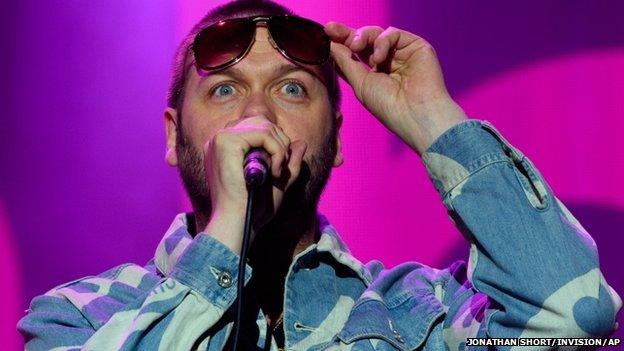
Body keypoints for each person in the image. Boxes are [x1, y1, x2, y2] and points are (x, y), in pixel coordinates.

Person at [18, 0, 621, 350]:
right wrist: (227, 235)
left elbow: (572, 325)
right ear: (174, 136)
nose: (257, 115)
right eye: (225, 89)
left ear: (334, 141)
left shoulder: (420, 313)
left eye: (291, 88)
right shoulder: (80, 315)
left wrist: (434, 121)